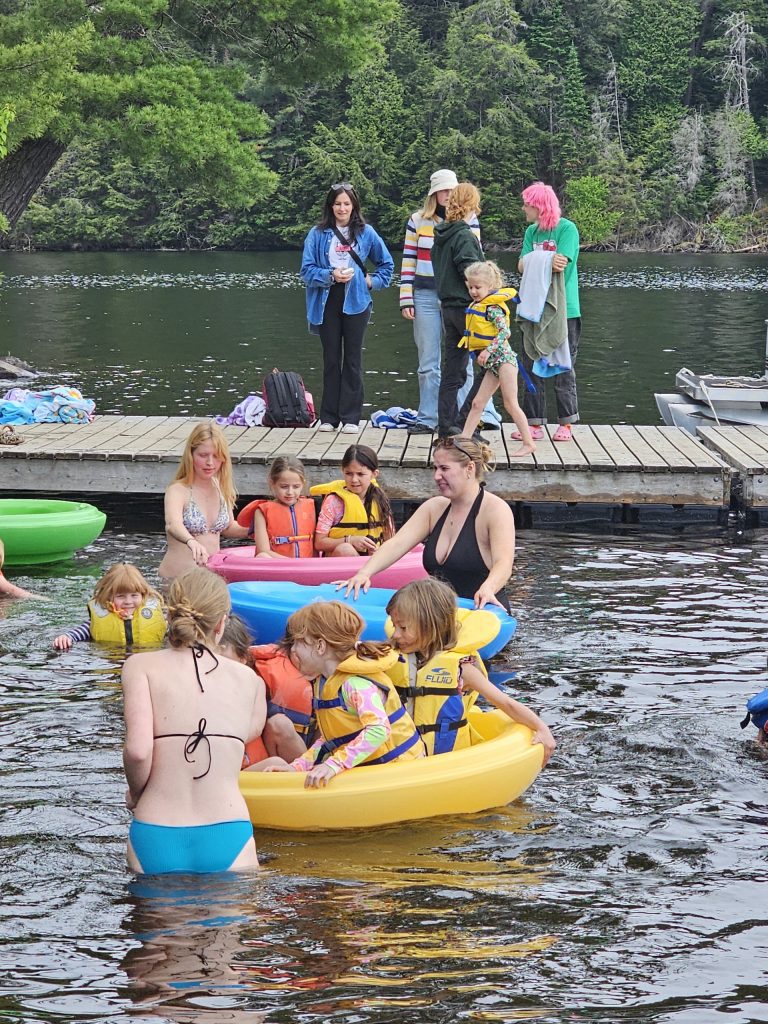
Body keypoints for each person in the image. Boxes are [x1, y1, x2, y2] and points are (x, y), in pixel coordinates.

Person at [122, 568, 266, 874]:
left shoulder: (140, 667)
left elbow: (138, 751)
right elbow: (246, 735)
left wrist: (136, 794)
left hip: (157, 828)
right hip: (228, 828)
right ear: (222, 623)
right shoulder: (250, 680)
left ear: (168, 614)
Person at [386, 578, 555, 764]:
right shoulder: (391, 659)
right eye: (394, 626)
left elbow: (506, 703)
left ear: (431, 625)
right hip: (403, 757)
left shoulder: (462, 668)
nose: (395, 635)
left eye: (403, 627)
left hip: (447, 761)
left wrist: (542, 728)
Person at [340, 436, 514, 611]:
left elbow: (504, 563)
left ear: (469, 468)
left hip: (482, 614)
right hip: (440, 616)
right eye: (435, 468)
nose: (437, 476)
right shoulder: (434, 508)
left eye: (444, 468)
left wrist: (489, 587)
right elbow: (396, 544)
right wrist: (364, 573)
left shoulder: (495, 510)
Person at [262, 602, 424, 788]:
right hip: (374, 773)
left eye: (298, 642)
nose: (293, 650)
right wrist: (298, 766)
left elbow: (378, 730)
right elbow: (333, 738)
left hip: (401, 774)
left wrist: (334, 765)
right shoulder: (326, 682)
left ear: (320, 646)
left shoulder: (355, 684)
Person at [399, 169, 499, 434]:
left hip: (453, 298)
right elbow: (410, 261)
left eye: (451, 191)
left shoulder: (465, 225)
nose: (447, 195)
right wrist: (405, 297)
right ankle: (431, 417)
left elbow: (472, 263)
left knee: (458, 364)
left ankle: (468, 418)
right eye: (442, 190)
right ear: (434, 194)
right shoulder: (420, 220)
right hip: (432, 295)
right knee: (433, 360)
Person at [300, 182, 394, 433]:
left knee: (353, 359)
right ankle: (329, 417)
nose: (342, 208)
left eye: (347, 204)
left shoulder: (367, 233)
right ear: (331, 206)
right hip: (326, 300)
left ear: (354, 207)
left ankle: (351, 418)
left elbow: (387, 265)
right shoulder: (317, 234)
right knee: (331, 358)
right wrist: (331, 275)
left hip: (357, 301)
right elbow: (306, 271)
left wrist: (372, 281)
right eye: (338, 203)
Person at [515, 181, 581, 442]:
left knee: (564, 364)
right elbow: (521, 265)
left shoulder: (567, 229)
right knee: (532, 362)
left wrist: (536, 260)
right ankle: (534, 423)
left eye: (527, 205)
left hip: (565, 309)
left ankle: (566, 422)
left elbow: (561, 263)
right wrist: (541, 260)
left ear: (539, 206)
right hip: (534, 307)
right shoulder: (532, 232)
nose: (523, 209)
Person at [460, 261, 536, 457]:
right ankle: (464, 441)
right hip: (494, 365)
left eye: (478, 287)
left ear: (490, 287)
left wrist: (487, 351)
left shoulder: (493, 308)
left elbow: (505, 332)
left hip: (504, 361)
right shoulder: (478, 305)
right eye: (470, 287)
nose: (474, 292)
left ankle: (528, 443)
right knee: (477, 403)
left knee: (510, 403)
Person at [158, 422, 249, 581]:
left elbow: (228, 527)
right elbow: (173, 524)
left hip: (211, 581)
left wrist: (256, 528)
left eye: (216, 456)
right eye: (203, 455)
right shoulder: (178, 490)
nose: (210, 463)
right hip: (177, 581)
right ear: (191, 455)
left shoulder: (220, 487)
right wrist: (191, 541)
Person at [432, 182, 488, 439]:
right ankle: (465, 422)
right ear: (470, 206)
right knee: (493, 365)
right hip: (468, 310)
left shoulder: (441, 235)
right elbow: (472, 274)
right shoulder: (464, 236)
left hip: (448, 309)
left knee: (452, 372)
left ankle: (447, 427)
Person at [219, 613, 309, 766]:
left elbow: (256, 726)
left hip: (242, 758)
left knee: (276, 761)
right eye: (211, 659)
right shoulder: (198, 685)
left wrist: (223, 739)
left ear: (243, 659)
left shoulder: (255, 684)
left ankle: (304, 777)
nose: (218, 666)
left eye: (226, 661)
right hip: (215, 761)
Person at [53, 562, 165, 650]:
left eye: (134, 595)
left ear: (143, 594)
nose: (128, 601)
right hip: (112, 663)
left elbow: (173, 632)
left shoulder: (155, 617)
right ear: (109, 596)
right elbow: (78, 633)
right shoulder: (99, 618)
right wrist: (66, 637)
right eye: (121, 596)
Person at [311, 444, 394, 557]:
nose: (354, 480)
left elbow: (391, 539)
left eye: (360, 474)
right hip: (341, 559)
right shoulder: (333, 501)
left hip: (371, 560)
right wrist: (349, 540)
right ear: (342, 471)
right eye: (349, 474)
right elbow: (319, 543)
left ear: (374, 474)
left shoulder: (380, 500)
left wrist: (377, 551)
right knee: (345, 549)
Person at [236, 456, 316, 559]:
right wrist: (291, 563)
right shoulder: (261, 512)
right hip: (277, 566)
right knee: (262, 556)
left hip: (305, 567)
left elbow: (316, 546)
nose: (290, 492)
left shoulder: (311, 507)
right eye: (284, 486)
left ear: (303, 484)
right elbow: (263, 550)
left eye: (296, 486)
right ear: (272, 483)